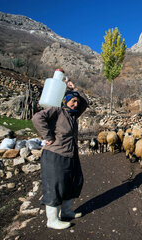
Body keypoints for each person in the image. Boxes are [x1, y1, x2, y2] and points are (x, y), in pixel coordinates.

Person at [32, 78, 88, 230]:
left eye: (77, 102)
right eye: (72, 101)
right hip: (55, 155)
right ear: (65, 101)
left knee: (74, 182)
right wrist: (48, 136)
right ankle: (52, 219)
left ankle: (67, 211)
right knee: (55, 185)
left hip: (70, 155)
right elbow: (37, 118)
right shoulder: (57, 111)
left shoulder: (73, 116)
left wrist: (75, 88)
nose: (75, 104)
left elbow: (85, 103)